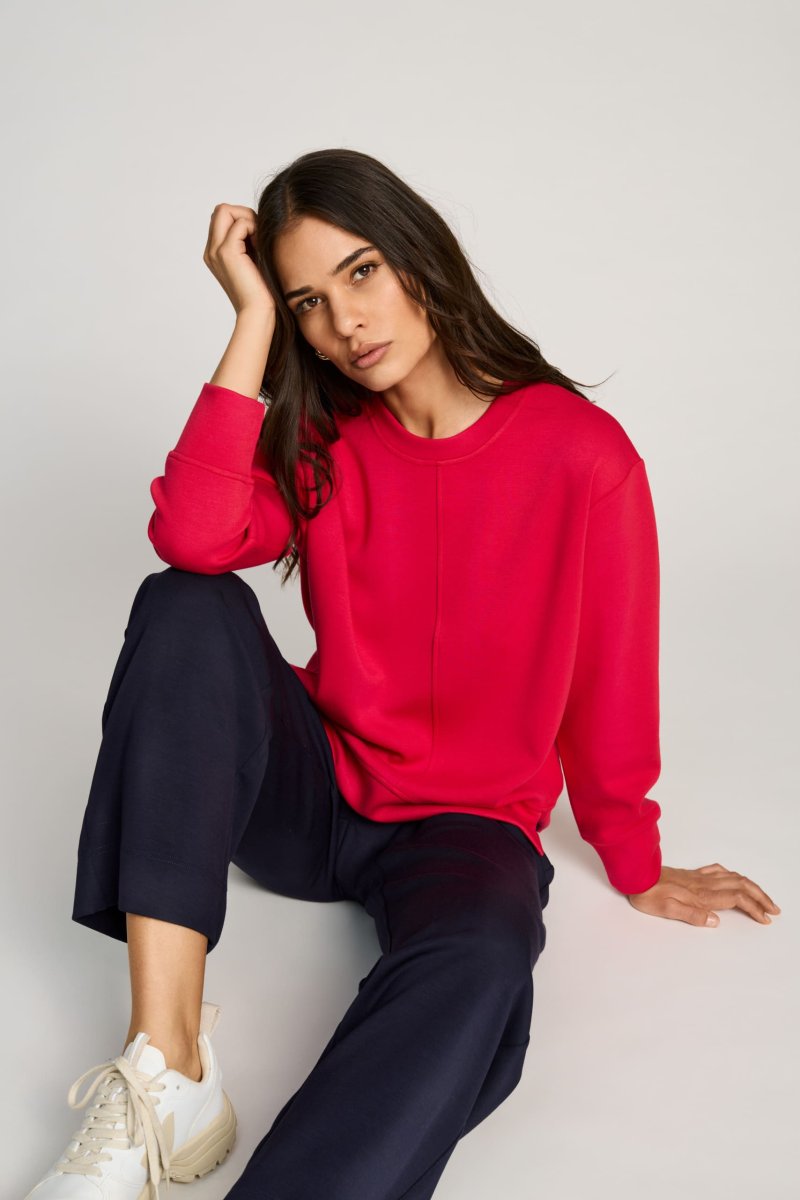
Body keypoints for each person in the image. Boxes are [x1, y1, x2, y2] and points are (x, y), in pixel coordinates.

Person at [25, 148, 781, 1200]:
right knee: (185, 604)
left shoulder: (581, 454)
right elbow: (193, 536)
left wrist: (634, 854)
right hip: (314, 797)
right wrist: (250, 320)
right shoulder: (322, 436)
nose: (344, 322)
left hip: (464, 827)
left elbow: (610, 676)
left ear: (419, 257)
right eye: (308, 302)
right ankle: (169, 1069)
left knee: (483, 966)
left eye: (361, 272)